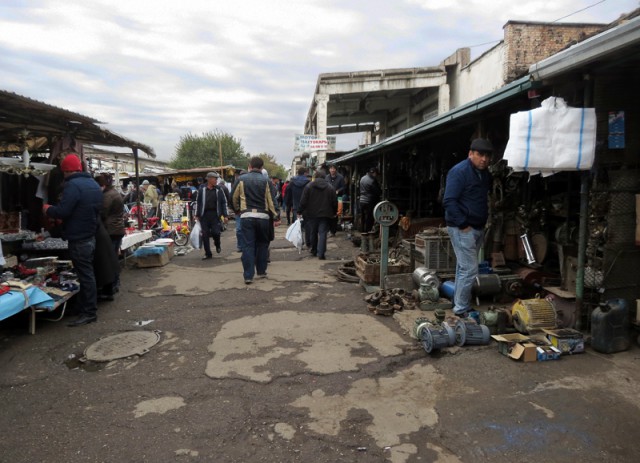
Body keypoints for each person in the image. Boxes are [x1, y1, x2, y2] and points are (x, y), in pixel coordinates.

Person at [43, 154, 103, 327]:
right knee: (86, 274)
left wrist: (48, 209)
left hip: (79, 237)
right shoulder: (93, 184)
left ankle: (89, 312)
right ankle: (82, 307)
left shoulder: (72, 185)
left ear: (66, 171)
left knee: (85, 276)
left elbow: (63, 211)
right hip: (90, 235)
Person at [443, 138, 494, 318]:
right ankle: (461, 310)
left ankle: (458, 302)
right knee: (470, 269)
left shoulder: (485, 174)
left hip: (477, 227)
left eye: (487, 156)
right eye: (480, 155)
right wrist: (463, 224)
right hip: (462, 228)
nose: (484, 159)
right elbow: (449, 200)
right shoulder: (459, 172)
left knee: (463, 268)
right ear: (470, 154)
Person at [232, 156, 279, 284]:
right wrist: (276, 216)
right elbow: (272, 201)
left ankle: (248, 276)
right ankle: (262, 271)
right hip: (263, 217)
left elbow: (233, 197)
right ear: (262, 167)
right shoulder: (266, 180)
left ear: (250, 166)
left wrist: (237, 210)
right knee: (262, 244)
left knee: (248, 245)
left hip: (246, 217)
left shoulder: (241, 180)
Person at [96, 173, 125, 300]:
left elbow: (103, 212)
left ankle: (113, 284)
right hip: (117, 228)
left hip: (111, 230)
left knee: (110, 258)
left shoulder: (108, 196)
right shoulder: (114, 193)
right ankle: (115, 283)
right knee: (114, 257)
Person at [298, 169, 337, 260]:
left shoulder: (309, 186)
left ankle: (314, 250)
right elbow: (334, 202)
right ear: (324, 177)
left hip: (311, 214)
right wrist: (334, 213)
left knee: (313, 232)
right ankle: (321, 253)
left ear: (315, 176)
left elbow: (303, 200)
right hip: (325, 214)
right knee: (323, 233)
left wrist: (299, 211)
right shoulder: (330, 187)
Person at [195, 172, 228, 260]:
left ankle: (217, 244)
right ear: (209, 179)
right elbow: (198, 202)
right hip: (204, 215)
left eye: (217, 179)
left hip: (215, 215)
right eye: (215, 178)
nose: (216, 180)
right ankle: (208, 253)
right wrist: (197, 214)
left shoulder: (219, 189)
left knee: (216, 232)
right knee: (205, 235)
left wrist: (225, 215)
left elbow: (223, 202)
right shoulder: (202, 189)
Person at [358, 166, 382, 232]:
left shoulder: (362, 178)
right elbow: (378, 192)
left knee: (363, 217)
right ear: (374, 173)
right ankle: (367, 232)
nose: (376, 176)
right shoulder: (372, 181)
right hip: (369, 201)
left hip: (361, 200)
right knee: (369, 217)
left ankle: (362, 231)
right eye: (376, 174)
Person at [326, 164, 345, 235]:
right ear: (329, 170)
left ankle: (333, 231)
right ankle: (328, 229)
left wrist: (338, 191)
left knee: (335, 214)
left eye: (334, 169)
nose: (332, 170)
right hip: (328, 198)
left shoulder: (340, 177)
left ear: (336, 170)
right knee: (328, 214)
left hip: (337, 198)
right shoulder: (327, 177)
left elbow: (343, 187)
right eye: (331, 168)